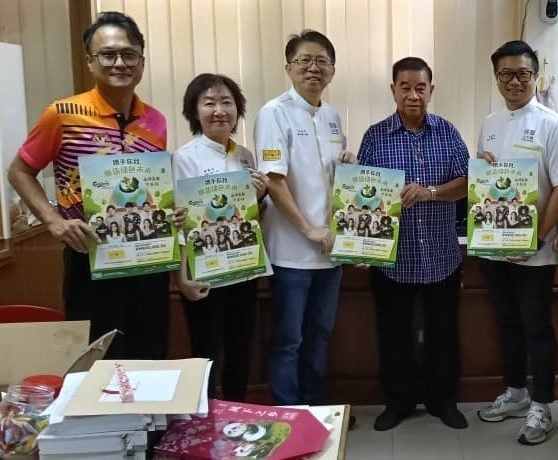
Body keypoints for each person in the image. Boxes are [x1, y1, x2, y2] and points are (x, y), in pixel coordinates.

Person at [7, 11, 190, 359]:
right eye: (108, 54)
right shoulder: (62, 114)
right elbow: (19, 171)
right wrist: (54, 222)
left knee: (150, 357)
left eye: (129, 54)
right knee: (96, 361)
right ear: (90, 61)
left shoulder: (156, 120)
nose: (119, 63)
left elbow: (150, 188)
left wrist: (170, 213)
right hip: (90, 258)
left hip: (148, 259)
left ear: (142, 61)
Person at [358, 57, 469, 431]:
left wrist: (430, 192)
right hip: (393, 259)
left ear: (431, 91)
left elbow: (467, 182)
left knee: (444, 334)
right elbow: (362, 193)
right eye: (404, 87)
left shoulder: (448, 133)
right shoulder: (375, 137)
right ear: (393, 90)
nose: (412, 94)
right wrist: (361, 245)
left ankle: (443, 400)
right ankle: (398, 402)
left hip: (441, 255)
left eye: (420, 87)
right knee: (394, 336)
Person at [474, 40, 558, 445]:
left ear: (535, 76)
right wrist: (481, 167)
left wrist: (538, 238)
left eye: (522, 74)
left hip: (536, 252)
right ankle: (516, 392)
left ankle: (542, 404)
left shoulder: (553, 124)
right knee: (507, 323)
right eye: (506, 74)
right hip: (495, 245)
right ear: (496, 77)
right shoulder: (490, 123)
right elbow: (484, 182)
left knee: (537, 328)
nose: (514, 81)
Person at [254, 30, 355, 405]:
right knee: (289, 339)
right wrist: (308, 228)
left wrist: (347, 164)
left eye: (322, 61)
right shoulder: (273, 113)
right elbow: (274, 181)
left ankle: (317, 408)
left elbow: (329, 179)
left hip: (332, 250)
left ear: (332, 71)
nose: (314, 68)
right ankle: (291, 413)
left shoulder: (332, 116)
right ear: (289, 68)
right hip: (291, 252)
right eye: (304, 61)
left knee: (321, 334)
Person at [172, 73, 269, 401]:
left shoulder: (245, 155)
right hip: (205, 272)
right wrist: (182, 277)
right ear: (194, 111)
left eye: (227, 102)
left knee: (241, 347)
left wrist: (260, 196)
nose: (219, 111)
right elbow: (180, 223)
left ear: (237, 110)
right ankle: (205, 417)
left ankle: (236, 413)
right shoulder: (185, 157)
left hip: (243, 266)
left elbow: (253, 216)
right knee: (207, 351)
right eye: (209, 103)